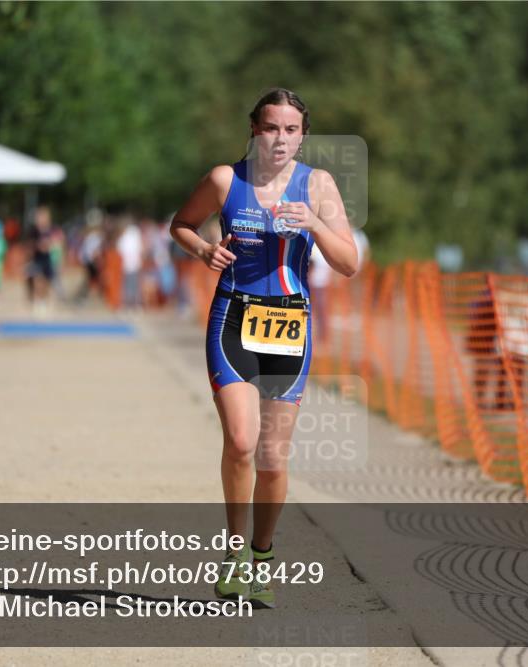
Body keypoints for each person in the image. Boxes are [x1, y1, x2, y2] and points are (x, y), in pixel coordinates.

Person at [170, 88, 358, 608]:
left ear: (303, 136)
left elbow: (349, 263)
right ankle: (233, 556)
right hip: (232, 319)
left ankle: (262, 555)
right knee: (241, 440)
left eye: (291, 129)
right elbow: (180, 225)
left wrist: (316, 224)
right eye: (271, 127)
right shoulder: (224, 180)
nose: (280, 139)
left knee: (273, 458)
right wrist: (205, 248)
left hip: (289, 330)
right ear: (254, 129)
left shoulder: (317, 184)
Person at [26, 206, 56, 317]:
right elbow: (29, 245)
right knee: (36, 280)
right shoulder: (33, 231)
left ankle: (45, 302)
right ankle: (37, 302)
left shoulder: (52, 229)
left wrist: (49, 245)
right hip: (36, 259)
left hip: (47, 259)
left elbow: (56, 243)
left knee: (47, 282)